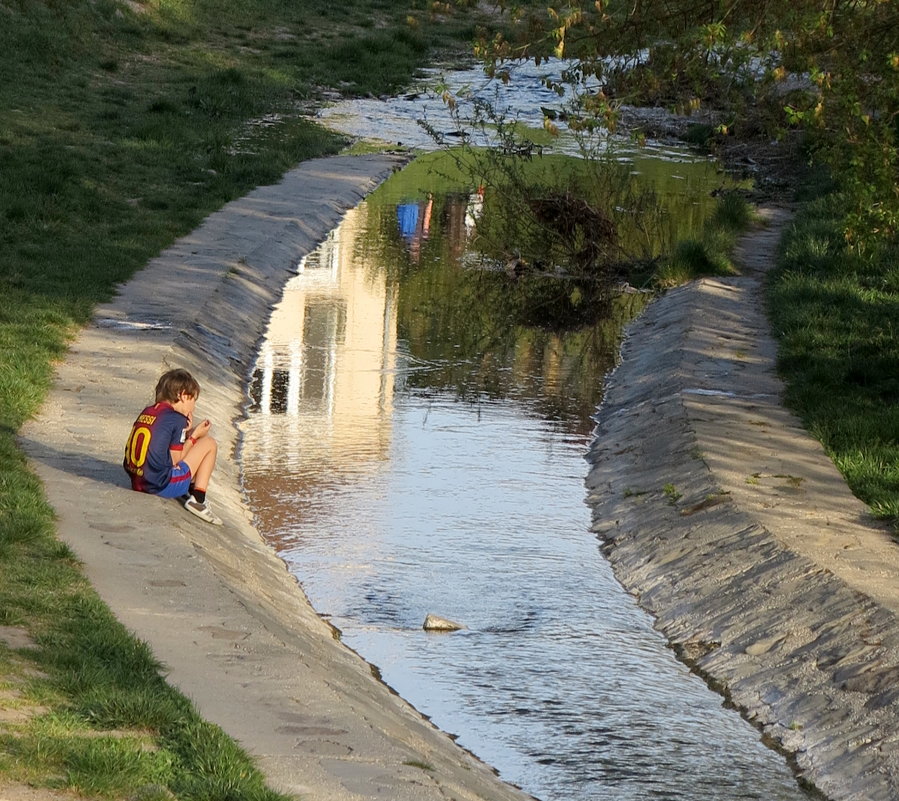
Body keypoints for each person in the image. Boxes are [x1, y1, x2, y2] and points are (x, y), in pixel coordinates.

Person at [123, 368, 223, 525]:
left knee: (192, 447)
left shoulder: (149, 411)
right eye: (193, 401)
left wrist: (186, 434)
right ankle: (198, 499)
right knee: (209, 444)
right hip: (159, 485)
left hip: (137, 480)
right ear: (183, 396)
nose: (193, 408)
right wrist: (194, 436)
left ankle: (188, 490)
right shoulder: (176, 419)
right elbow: (178, 460)